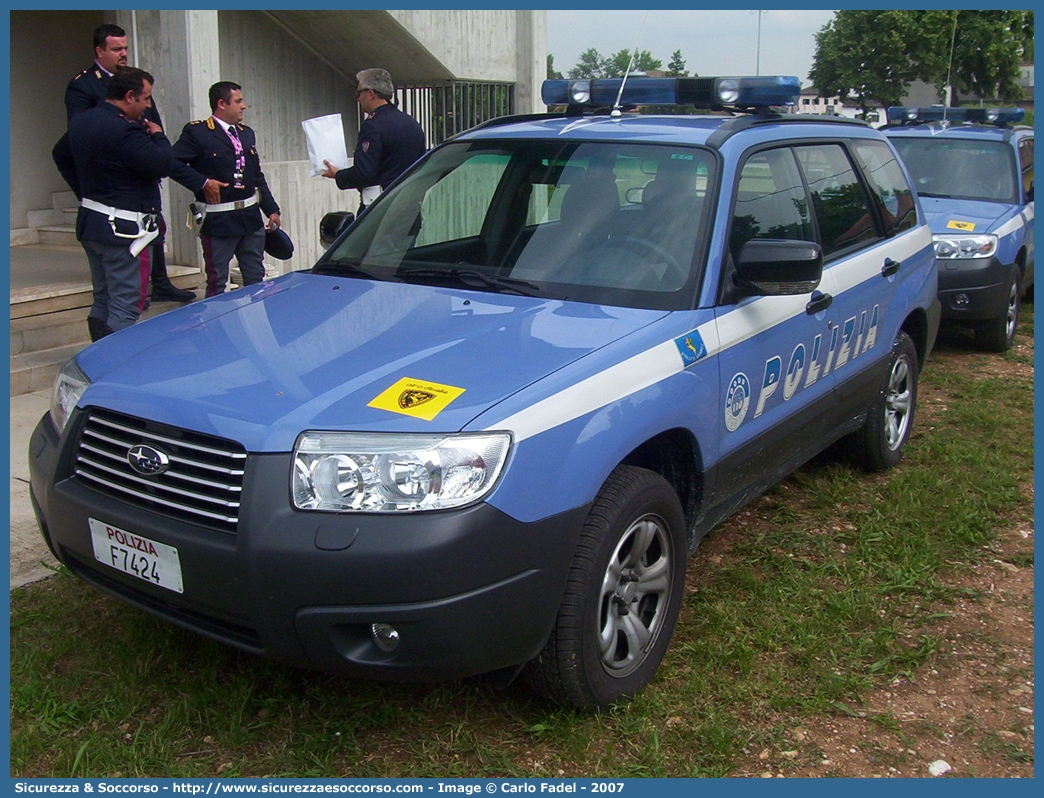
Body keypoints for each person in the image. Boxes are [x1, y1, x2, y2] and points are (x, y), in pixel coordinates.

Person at [65, 23, 195, 304]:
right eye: (116, 49)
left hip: (139, 171)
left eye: (125, 48)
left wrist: (155, 147)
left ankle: (158, 281)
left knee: (153, 228)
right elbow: (78, 138)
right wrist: (87, 191)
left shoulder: (136, 80)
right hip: (111, 184)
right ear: (99, 51)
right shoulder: (83, 85)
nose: (123, 53)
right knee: (118, 298)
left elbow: (151, 122)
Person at [52, 68, 173, 341]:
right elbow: (163, 163)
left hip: (93, 223)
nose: (147, 106)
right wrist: (158, 135)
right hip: (125, 232)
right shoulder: (127, 131)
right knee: (126, 306)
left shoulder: (82, 121)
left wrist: (86, 192)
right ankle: (117, 366)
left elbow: (60, 154)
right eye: (145, 99)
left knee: (102, 299)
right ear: (129, 96)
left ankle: (97, 355)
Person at [170, 81, 281, 297]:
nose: (244, 106)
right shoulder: (198, 132)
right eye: (238, 101)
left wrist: (271, 209)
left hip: (249, 218)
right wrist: (203, 182)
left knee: (255, 278)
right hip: (219, 220)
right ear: (222, 104)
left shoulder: (246, 133)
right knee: (217, 281)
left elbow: (256, 175)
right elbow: (172, 163)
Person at [321, 68, 426, 210]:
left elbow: (364, 174)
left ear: (370, 94)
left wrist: (338, 175)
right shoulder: (412, 123)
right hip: (410, 205)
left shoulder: (372, 126)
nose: (358, 99)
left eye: (358, 93)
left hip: (379, 207)